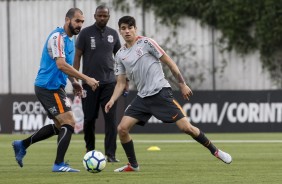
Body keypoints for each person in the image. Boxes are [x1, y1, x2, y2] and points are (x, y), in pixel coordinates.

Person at [105, 16, 232, 172]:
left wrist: (182, 84)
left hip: (160, 93)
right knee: (122, 129)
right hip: (142, 98)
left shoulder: (147, 43)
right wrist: (112, 100)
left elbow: (169, 61)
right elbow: (121, 83)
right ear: (120, 31)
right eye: (123, 28)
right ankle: (133, 165)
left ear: (135, 29)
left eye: (130, 27)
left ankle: (216, 151)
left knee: (187, 128)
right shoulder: (119, 54)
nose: (127, 31)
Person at [12, 8, 99, 172]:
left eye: (82, 22)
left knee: (60, 126)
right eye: (77, 21)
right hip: (48, 87)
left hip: (55, 86)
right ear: (68, 20)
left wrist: (73, 81)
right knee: (69, 122)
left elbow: (66, 67)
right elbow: (61, 64)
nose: (80, 25)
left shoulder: (70, 40)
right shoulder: (57, 37)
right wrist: (85, 78)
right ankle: (59, 164)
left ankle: (21, 145)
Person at [73, 5, 122, 162]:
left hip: (109, 84)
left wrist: (124, 79)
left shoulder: (113, 34)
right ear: (94, 16)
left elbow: (120, 58)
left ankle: (111, 154)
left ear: (108, 17)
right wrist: (75, 80)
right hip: (89, 84)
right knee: (89, 119)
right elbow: (77, 57)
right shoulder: (85, 33)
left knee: (111, 120)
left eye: (105, 16)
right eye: (99, 16)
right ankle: (90, 151)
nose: (102, 18)